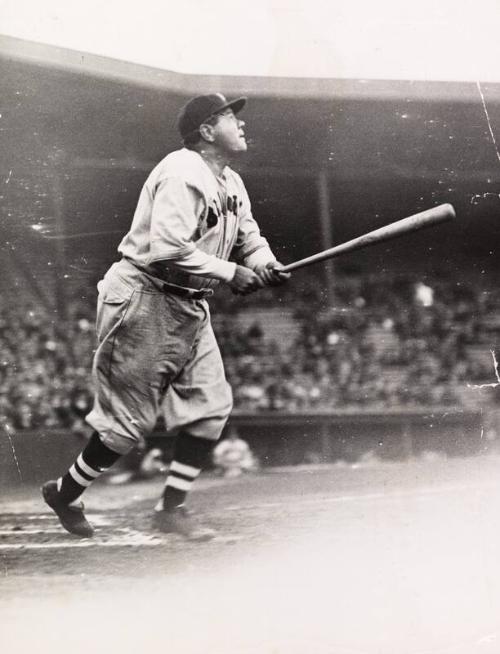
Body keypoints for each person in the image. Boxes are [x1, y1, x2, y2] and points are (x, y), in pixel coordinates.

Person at [41, 93, 290, 540]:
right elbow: (169, 248)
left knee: (212, 408)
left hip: (191, 303)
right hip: (145, 294)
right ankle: (66, 492)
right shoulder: (181, 171)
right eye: (231, 117)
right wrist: (230, 272)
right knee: (128, 426)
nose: (242, 124)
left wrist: (264, 262)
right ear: (207, 131)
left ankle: (170, 509)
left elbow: (249, 238)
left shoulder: (230, 181)